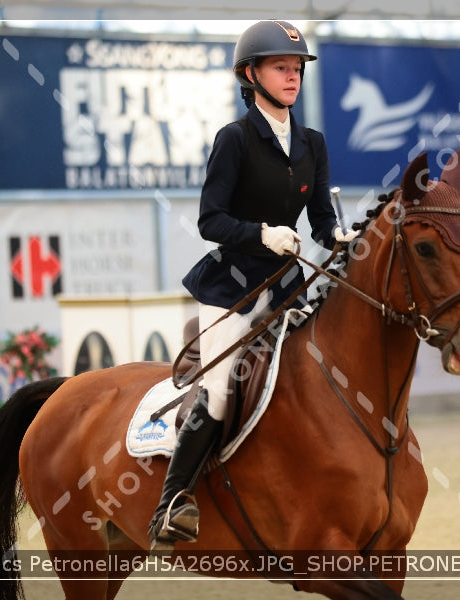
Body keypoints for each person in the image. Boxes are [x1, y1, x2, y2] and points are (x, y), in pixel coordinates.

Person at [148, 20, 356, 552]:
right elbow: (210, 221)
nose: (293, 77)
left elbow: (321, 222)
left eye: (297, 69)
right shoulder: (234, 139)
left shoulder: (312, 143)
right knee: (220, 386)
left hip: (288, 287)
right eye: (281, 68)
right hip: (231, 287)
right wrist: (262, 234)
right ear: (252, 75)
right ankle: (172, 501)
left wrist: (342, 236)